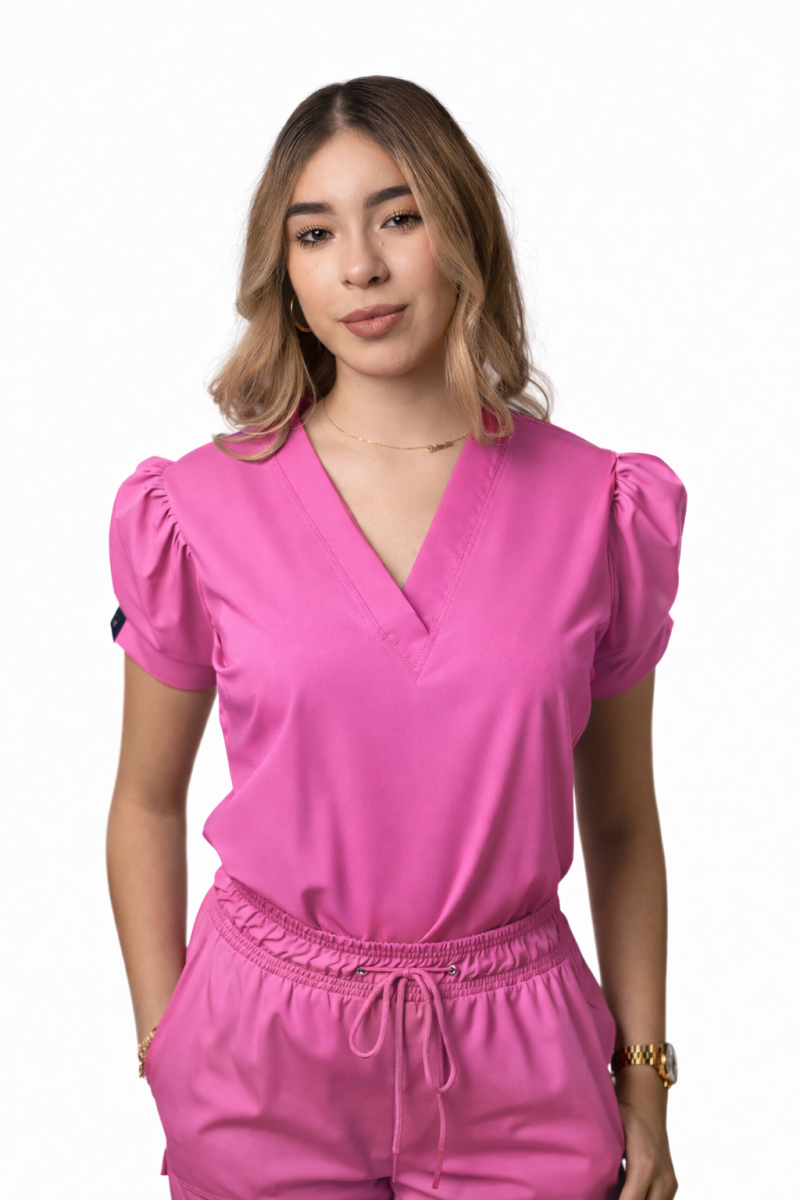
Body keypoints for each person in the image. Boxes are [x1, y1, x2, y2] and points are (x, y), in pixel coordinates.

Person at [107, 76, 685, 1200]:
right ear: (283, 271)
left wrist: (646, 1082)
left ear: (462, 232)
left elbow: (620, 818)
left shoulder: (598, 509)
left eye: (399, 216)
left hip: (523, 1063)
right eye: (314, 233)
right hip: (257, 1054)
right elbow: (144, 798)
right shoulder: (193, 510)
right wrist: (163, 1043)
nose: (360, 268)